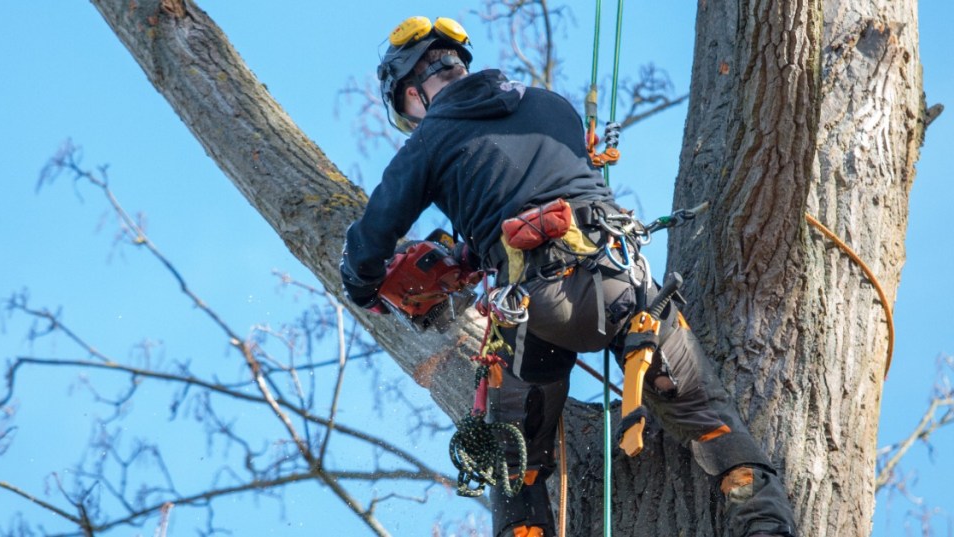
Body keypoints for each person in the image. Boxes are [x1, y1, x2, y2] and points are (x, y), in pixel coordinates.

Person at [340, 15, 797, 537]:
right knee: (713, 420)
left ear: (415, 91)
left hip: (537, 309)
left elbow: (373, 237)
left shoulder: (430, 139)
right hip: (623, 285)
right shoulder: (547, 104)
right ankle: (767, 523)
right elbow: (536, 184)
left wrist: (360, 282)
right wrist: (473, 251)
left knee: (516, 465)